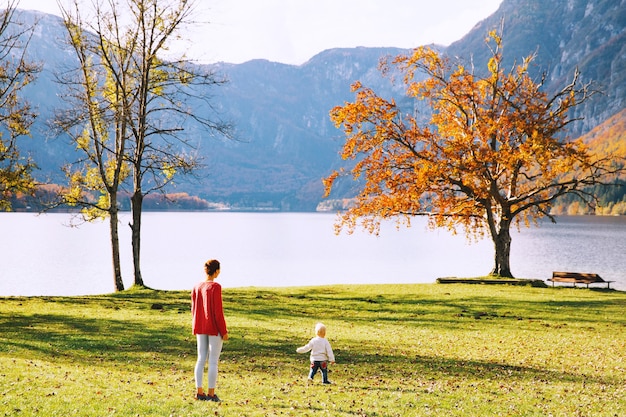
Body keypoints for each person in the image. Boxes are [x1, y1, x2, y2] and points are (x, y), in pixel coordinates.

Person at [191, 259, 228, 401]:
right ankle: (211, 394)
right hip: (213, 328)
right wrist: (223, 331)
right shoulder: (216, 287)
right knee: (213, 361)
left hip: (200, 326)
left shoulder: (197, 286)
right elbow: (218, 312)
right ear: (216, 271)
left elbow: (194, 309)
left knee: (200, 359)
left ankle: (199, 391)